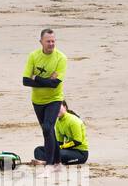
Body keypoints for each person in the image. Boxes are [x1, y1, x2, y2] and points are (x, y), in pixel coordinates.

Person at [22, 28, 67, 166]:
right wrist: (47, 81)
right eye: (48, 41)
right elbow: (25, 81)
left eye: (53, 41)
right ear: (41, 42)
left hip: (54, 99)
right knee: (48, 131)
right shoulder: (33, 56)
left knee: (47, 128)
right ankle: (58, 162)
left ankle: (49, 164)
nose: (51, 44)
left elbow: (55, 84)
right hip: (37, 101)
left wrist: (37, 78)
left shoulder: (61, 58)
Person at [32, 101, 89, 165]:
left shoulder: (73, 120)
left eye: (59, 107)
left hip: (80, 153)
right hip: (67, 150)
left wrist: (62, 147)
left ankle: (46, 162)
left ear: (65, 107)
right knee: (38, 150)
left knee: (59, 154)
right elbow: (59, 143)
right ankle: (47, 161)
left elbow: (78, 141)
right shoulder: (58, 122)